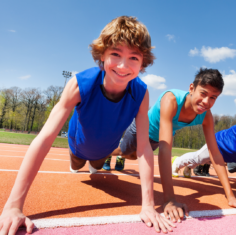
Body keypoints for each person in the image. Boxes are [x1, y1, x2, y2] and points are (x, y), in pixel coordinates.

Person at [0, 16, 175, 235]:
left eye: (133, 58)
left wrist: (148, 205)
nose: (123, 65)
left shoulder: (141, 93)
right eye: (115, 54)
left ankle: (97, 163)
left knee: (98, 166)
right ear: (102, 55)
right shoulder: (80, 84)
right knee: (77, 165)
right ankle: (76, 159)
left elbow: (143, 148)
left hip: (104, 150)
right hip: (77, 146)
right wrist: (13, 206)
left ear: (143, 63)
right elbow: (44, 139)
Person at [111, 68, 236, 219]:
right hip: (142, 130)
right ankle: (107, 151)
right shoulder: (171, 100)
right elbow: (165, 149)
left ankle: (115, 152)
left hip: (156, 139)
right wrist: (169, 199)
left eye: (213, 97)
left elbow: (215, 154)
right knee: (125, 153)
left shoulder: (206, 116)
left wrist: (231, 197)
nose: (206, 102)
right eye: (203, 93)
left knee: (132, 157)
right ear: (191, 88)